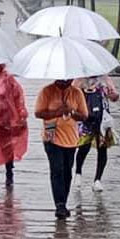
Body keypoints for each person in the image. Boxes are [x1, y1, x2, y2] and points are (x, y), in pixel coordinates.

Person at [34, 79, 88, 219]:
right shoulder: (47, 91)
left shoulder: (76, 93)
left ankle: (63, 199)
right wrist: (57, 112)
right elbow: (39, 113)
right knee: (57, 169)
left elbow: (84, 115)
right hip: (51, 136)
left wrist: (72, 112)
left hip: (71, 139)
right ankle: (60, 205)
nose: (66, 82)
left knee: (67, 171)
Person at [73, 76, 119, 192]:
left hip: (102, 118)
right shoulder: (79, 79)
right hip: (85, 118)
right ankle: (78, 173)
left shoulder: (104, 79)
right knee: (83, 147)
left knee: (102, 148)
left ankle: (97, 180)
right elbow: (71, 94)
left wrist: (112, 93)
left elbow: (114, 97)